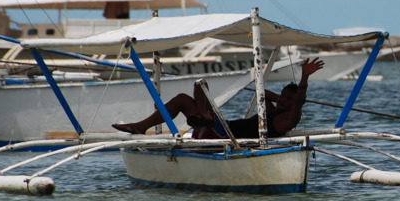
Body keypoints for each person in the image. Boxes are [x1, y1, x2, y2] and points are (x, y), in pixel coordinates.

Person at [112, 57, 324, 139]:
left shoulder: (288, 118)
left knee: (196, 89)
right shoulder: (273, 111)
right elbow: (265, 93)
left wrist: (304, 76)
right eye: (284, 97)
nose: (285, 101)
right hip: (221, 129)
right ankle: (142, 126)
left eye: (289, 99)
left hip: (223, 135)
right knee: (184, 97)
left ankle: (204, 116)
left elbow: (296, 103)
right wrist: (281, 99)